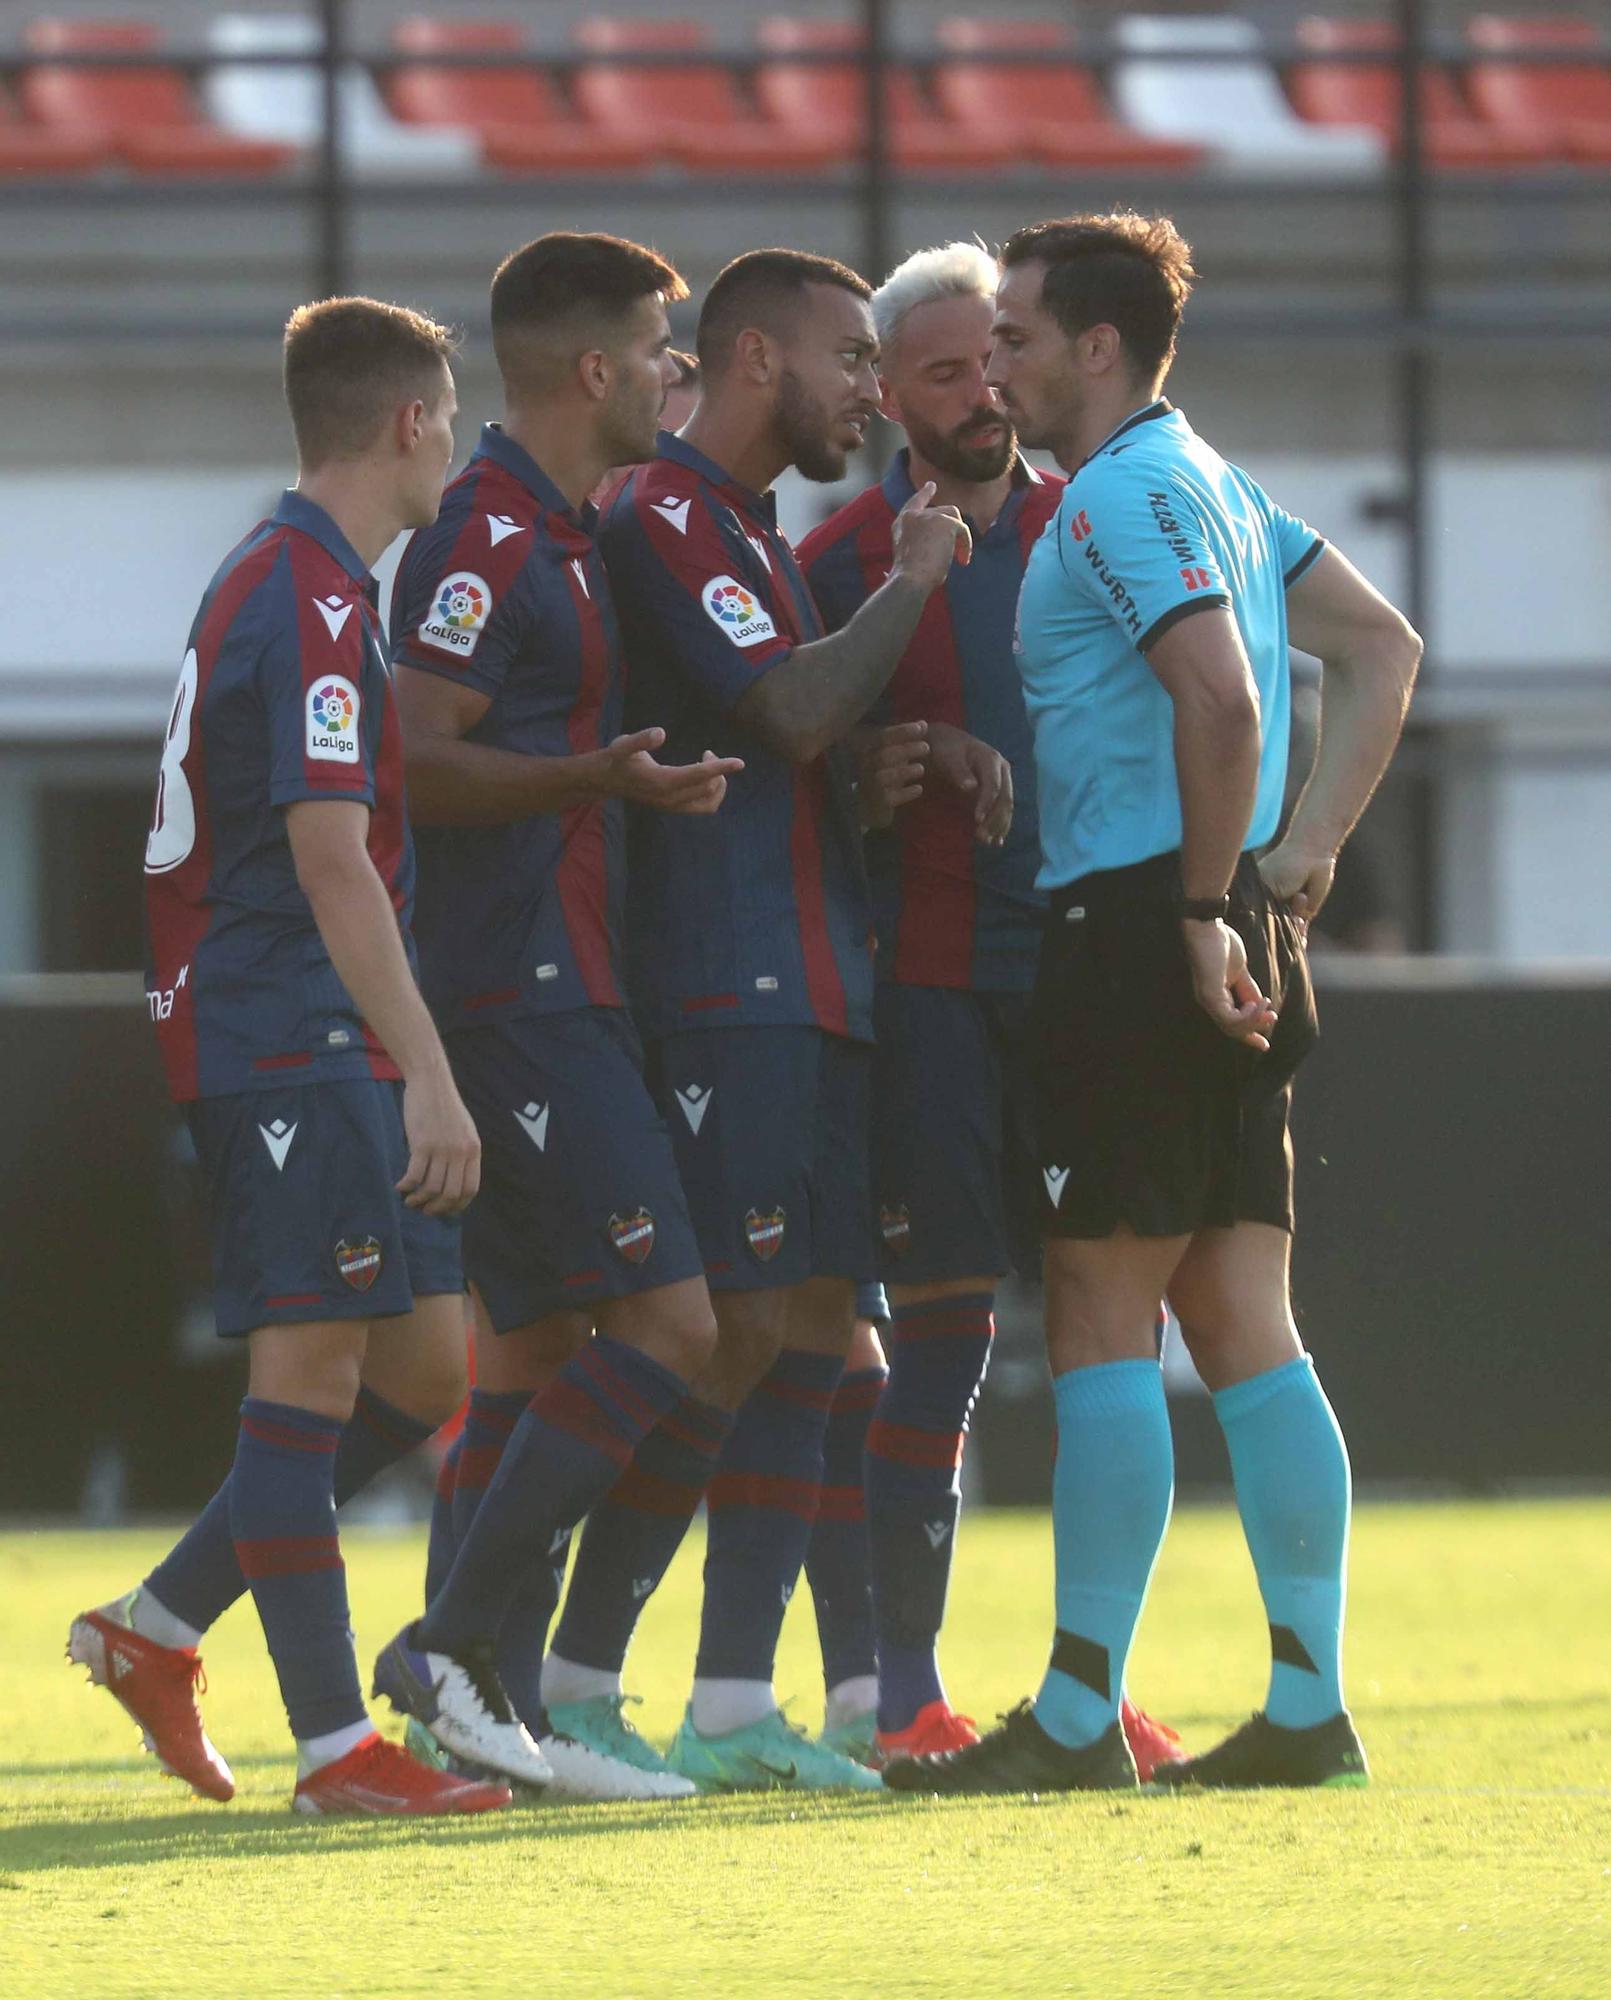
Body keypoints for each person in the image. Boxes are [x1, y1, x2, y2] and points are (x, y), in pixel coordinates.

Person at [886, 213, 1419, 1795]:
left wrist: (1198, 907)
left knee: (1105, 1306)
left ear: (1097, 348)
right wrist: (1295, 862)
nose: (1002, 364)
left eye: (1024, 338)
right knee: (1246, 1318)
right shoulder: (1222, 483)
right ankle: (1309, 1705)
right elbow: (1381, 653)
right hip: (1227, 911)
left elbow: (1226, 695)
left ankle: (1071, 1719)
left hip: (1141, 928)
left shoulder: (1119, 494)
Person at [68, 297, 511, 1818]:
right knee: (314, 1375)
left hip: (302, 1023)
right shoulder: (312, 598)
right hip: (284, 1023)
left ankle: (160, 1626)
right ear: (405, 423)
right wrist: (431, 1072)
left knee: (425, 1364)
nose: (453, 443)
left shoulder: (295, 578)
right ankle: (338, 1753)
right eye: (447, 417)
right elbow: (331, 862)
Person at [535, 247, 970, 1793]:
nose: (872, 388)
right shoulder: (660, 511)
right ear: (758, 361)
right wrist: (917, 572)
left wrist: (879, 766)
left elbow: (791, 746)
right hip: (731, 993)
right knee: (717, 1341)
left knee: (803, 1346)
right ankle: (564, 1672)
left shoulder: (755, 539)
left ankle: (732, 1699)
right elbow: (782, 708)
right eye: (854, 358)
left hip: (812, 986)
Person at [798, 240, 1181, 1778]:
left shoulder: (1097, 524)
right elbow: (776, 767)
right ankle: (902, 1694)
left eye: (992, 361)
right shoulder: (838, 569)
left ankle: (1088, 1690)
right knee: (941, 1341)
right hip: (933, 995)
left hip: (1092, 986)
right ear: (886, 392)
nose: (980, 392)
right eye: (944, 370)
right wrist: (860, 783)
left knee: (1112, 1337)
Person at [372, 235, 743, 1800]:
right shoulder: (485, 539)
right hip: (519, 990)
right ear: (594, 369)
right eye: (665, 346)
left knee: (522, 1351)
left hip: (554, 974)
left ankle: (487, 1705)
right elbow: (412, 755)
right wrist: (598, 778)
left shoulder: (567, 530)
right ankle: (452, 1645)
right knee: (676, 1325)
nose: (680, 372)